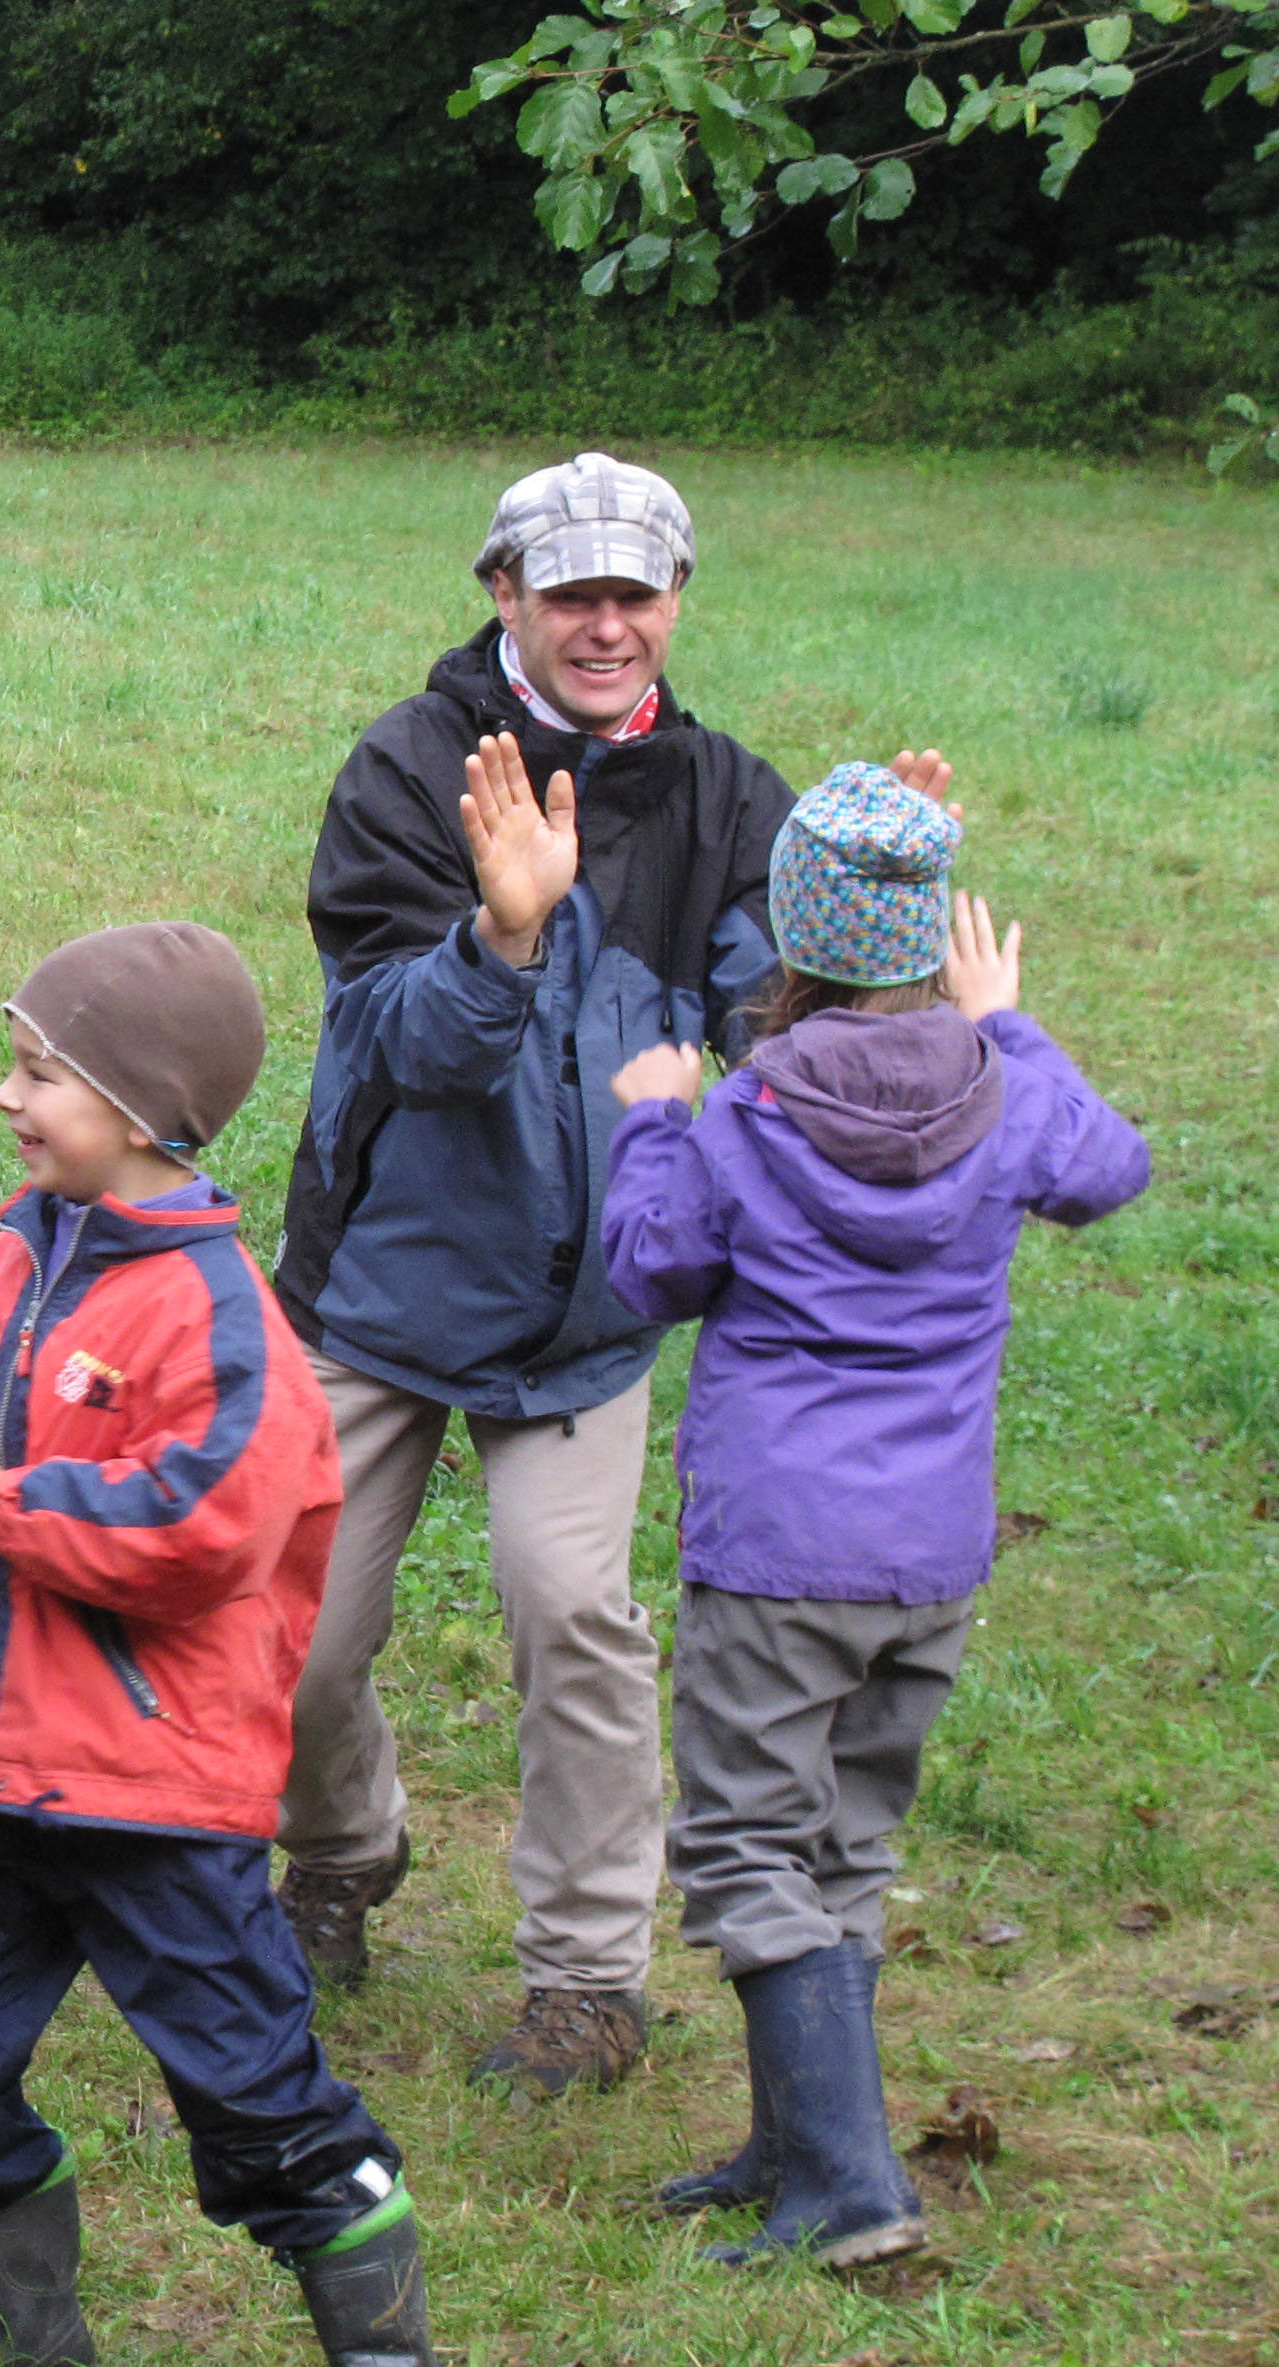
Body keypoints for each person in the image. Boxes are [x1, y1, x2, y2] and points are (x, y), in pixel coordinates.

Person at [271, 449, 945, 2099]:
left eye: (633, 592)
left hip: (589, 1316)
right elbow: (396, 1044)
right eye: (569, 589)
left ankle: (587, 1978)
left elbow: (779, 1037)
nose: (604, 623)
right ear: (501, 591)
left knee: (577, 1618)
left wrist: (881, 932)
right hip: (384, 1287)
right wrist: (502, 939)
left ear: (674, 604)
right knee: (296, 1639)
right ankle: (339, 1860)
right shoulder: (407, 771)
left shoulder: (727, 799)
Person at [0, 921, 458, 2367]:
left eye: (42, 1074)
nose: (8, 1101)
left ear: (149, 1112)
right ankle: (17, 2330)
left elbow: (205, 1533)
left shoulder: (225, 1321)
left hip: (158, 1792)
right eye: (16, 1066)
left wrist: (4, 1494)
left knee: (248, 2087)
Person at [602, 768, 1148, 2268]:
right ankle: (799, 2144)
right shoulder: (1003, 1085)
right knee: (840, 1842)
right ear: (930, 936)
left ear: (797, 925)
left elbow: (649, 1273)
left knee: (743, 1849)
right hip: (928, 1556)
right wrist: (1009, 1020)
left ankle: (851, 2191)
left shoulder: (751, 1115)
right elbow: (1113, 1168)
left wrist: (656, 1121)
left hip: (780, 1556)